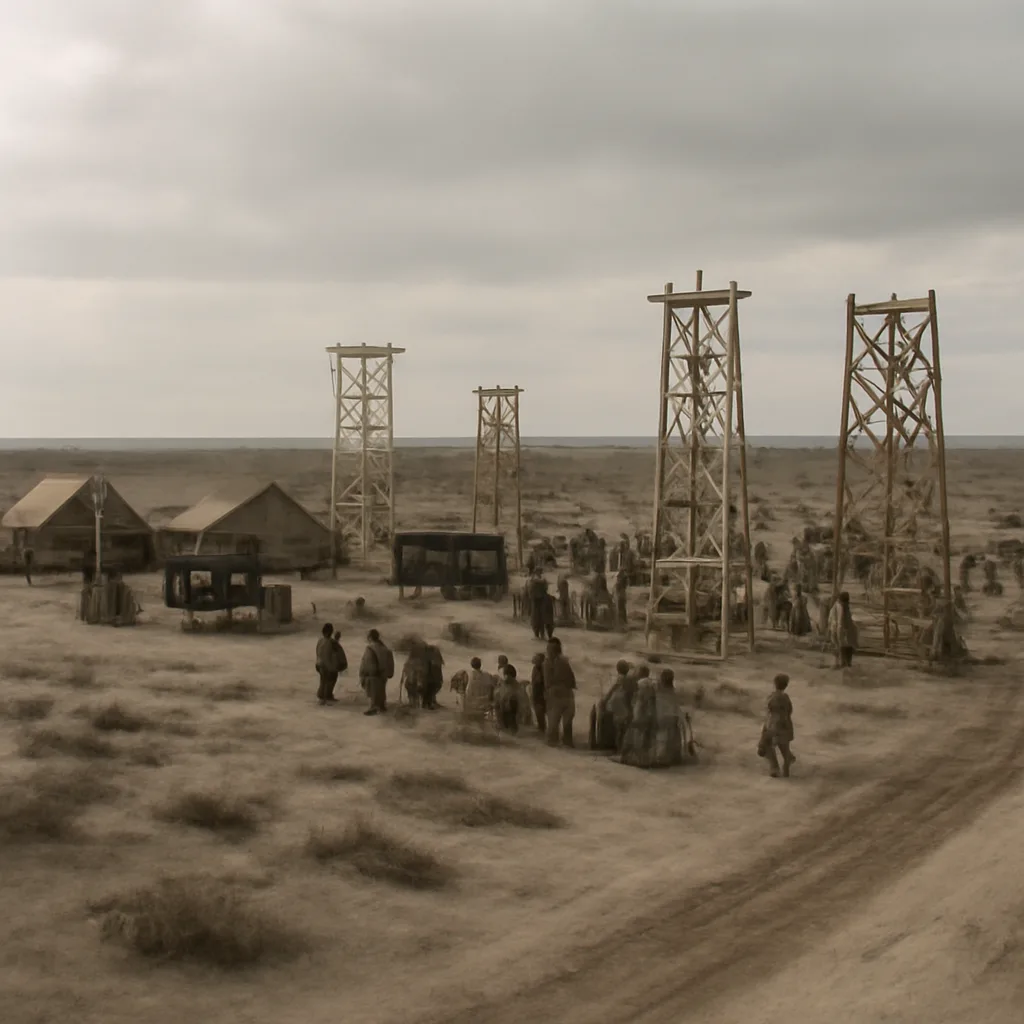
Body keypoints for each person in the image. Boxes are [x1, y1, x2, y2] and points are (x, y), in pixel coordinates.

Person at [542, 636, 577, 748]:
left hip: (557, 695)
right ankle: (566, 742)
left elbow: (547, 682)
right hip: (565, 694)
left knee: (554, 721)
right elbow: (572, 680)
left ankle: (555, 742)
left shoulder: (548, 664)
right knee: (564, 722)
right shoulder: (563, 662)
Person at [760, 673, 796, 778]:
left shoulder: (772, 697)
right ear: (786, 685)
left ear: (774, 684)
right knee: (784, 746)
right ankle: (787, 762)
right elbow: (790, 710)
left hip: (773, 725)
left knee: (767, 745)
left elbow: (768, 710)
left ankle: (774, 767)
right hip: (785, 724)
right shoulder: (785, 697)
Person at [359, 628, 394, 716]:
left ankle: (374, 707)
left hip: (373, 674)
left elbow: (367, 662)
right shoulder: (384, 648)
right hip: (383, 674)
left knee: (373, 691)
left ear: (370, 637)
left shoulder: (370, 648)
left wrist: (363, 674)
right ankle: (381, 706)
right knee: (381, 690)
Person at [315, 622, 342, 706]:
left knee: (323, 680)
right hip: (326, 665)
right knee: (330, 680)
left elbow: (317, 652)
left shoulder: (320, 640)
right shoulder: (330, 642)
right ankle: (326, 697)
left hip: (319, 664)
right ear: (330, 632)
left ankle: (322, 697)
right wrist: (337, 638)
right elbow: (336, 650)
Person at [828, 591, 857, 667]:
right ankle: (842, 663)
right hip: (839, 629)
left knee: (842, 646)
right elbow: (839, 621)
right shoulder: (841, 607)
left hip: (841, 630)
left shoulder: (842, 606)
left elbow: (841, 621)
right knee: (841, 646)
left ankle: (843, 663)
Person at [463, 656, 495, 723]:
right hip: (485, 704)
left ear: (471, 665)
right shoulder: (488, 675)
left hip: (471, 704)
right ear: (480, 665)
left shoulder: (468, 674)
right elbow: (492, 687)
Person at [494, 664, 522, 734]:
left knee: (510, 726)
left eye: (504, 675)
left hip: (510, 711)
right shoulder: (504, 684)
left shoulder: (515, 687)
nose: (503, 677)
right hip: (504, 710)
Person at [530, 652, 546, 734]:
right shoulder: (536, 668)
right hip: (538, 694)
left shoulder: (541, 669)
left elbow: (538, 681)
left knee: (540, 714)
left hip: (540, 695)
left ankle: (542, 731)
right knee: (539, 715)